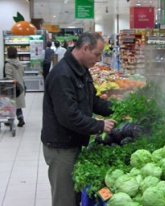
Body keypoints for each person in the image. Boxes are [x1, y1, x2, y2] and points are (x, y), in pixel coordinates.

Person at [41, 32, 116, 206]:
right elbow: (68, 116)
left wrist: (115, 109)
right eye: (97, 54)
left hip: (73, 142)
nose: (98, 59)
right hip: (61, 147)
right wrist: (99, 125)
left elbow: (92, 100)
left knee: (74, 196)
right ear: (84, 48)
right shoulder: (62, 75)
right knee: (65, 199)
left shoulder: (81, 70)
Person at [5, 46, 26, 127]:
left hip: (12, 86)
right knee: (17, 104)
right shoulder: (19, 63)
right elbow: (22, 74)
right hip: (20, 86)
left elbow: (8, 77)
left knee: (11, 103)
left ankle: (10, 120)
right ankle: (21, 119)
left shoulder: (8, 64)